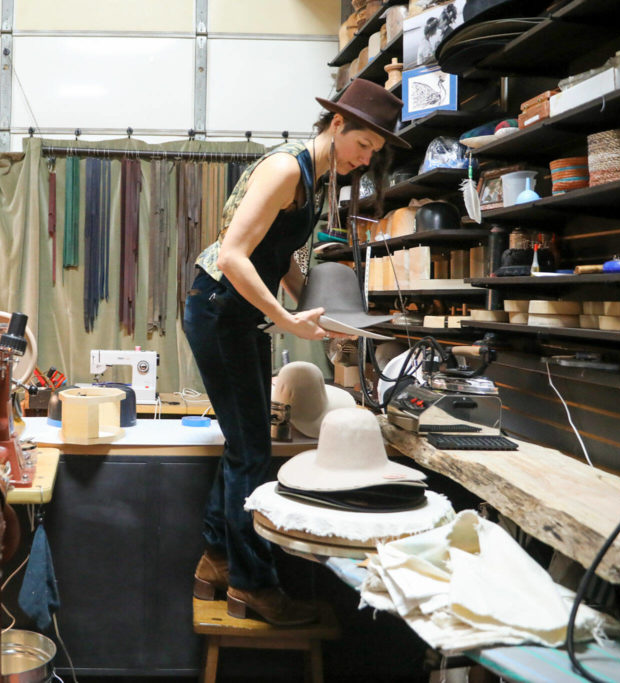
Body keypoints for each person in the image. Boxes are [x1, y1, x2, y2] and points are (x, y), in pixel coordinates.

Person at [183, 78, 408, 625]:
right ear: (337, 125)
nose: (364, 159)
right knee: (251, 453)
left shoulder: (318, 178)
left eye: (374, 154)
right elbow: (235, 255)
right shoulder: (286, 169)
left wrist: (321, 314)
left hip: (239, 315)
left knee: (246, 444)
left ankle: (215, 560)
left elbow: (279, 255)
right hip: (218, 308)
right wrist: (286, 320)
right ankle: (252, 584)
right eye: (362, 146)